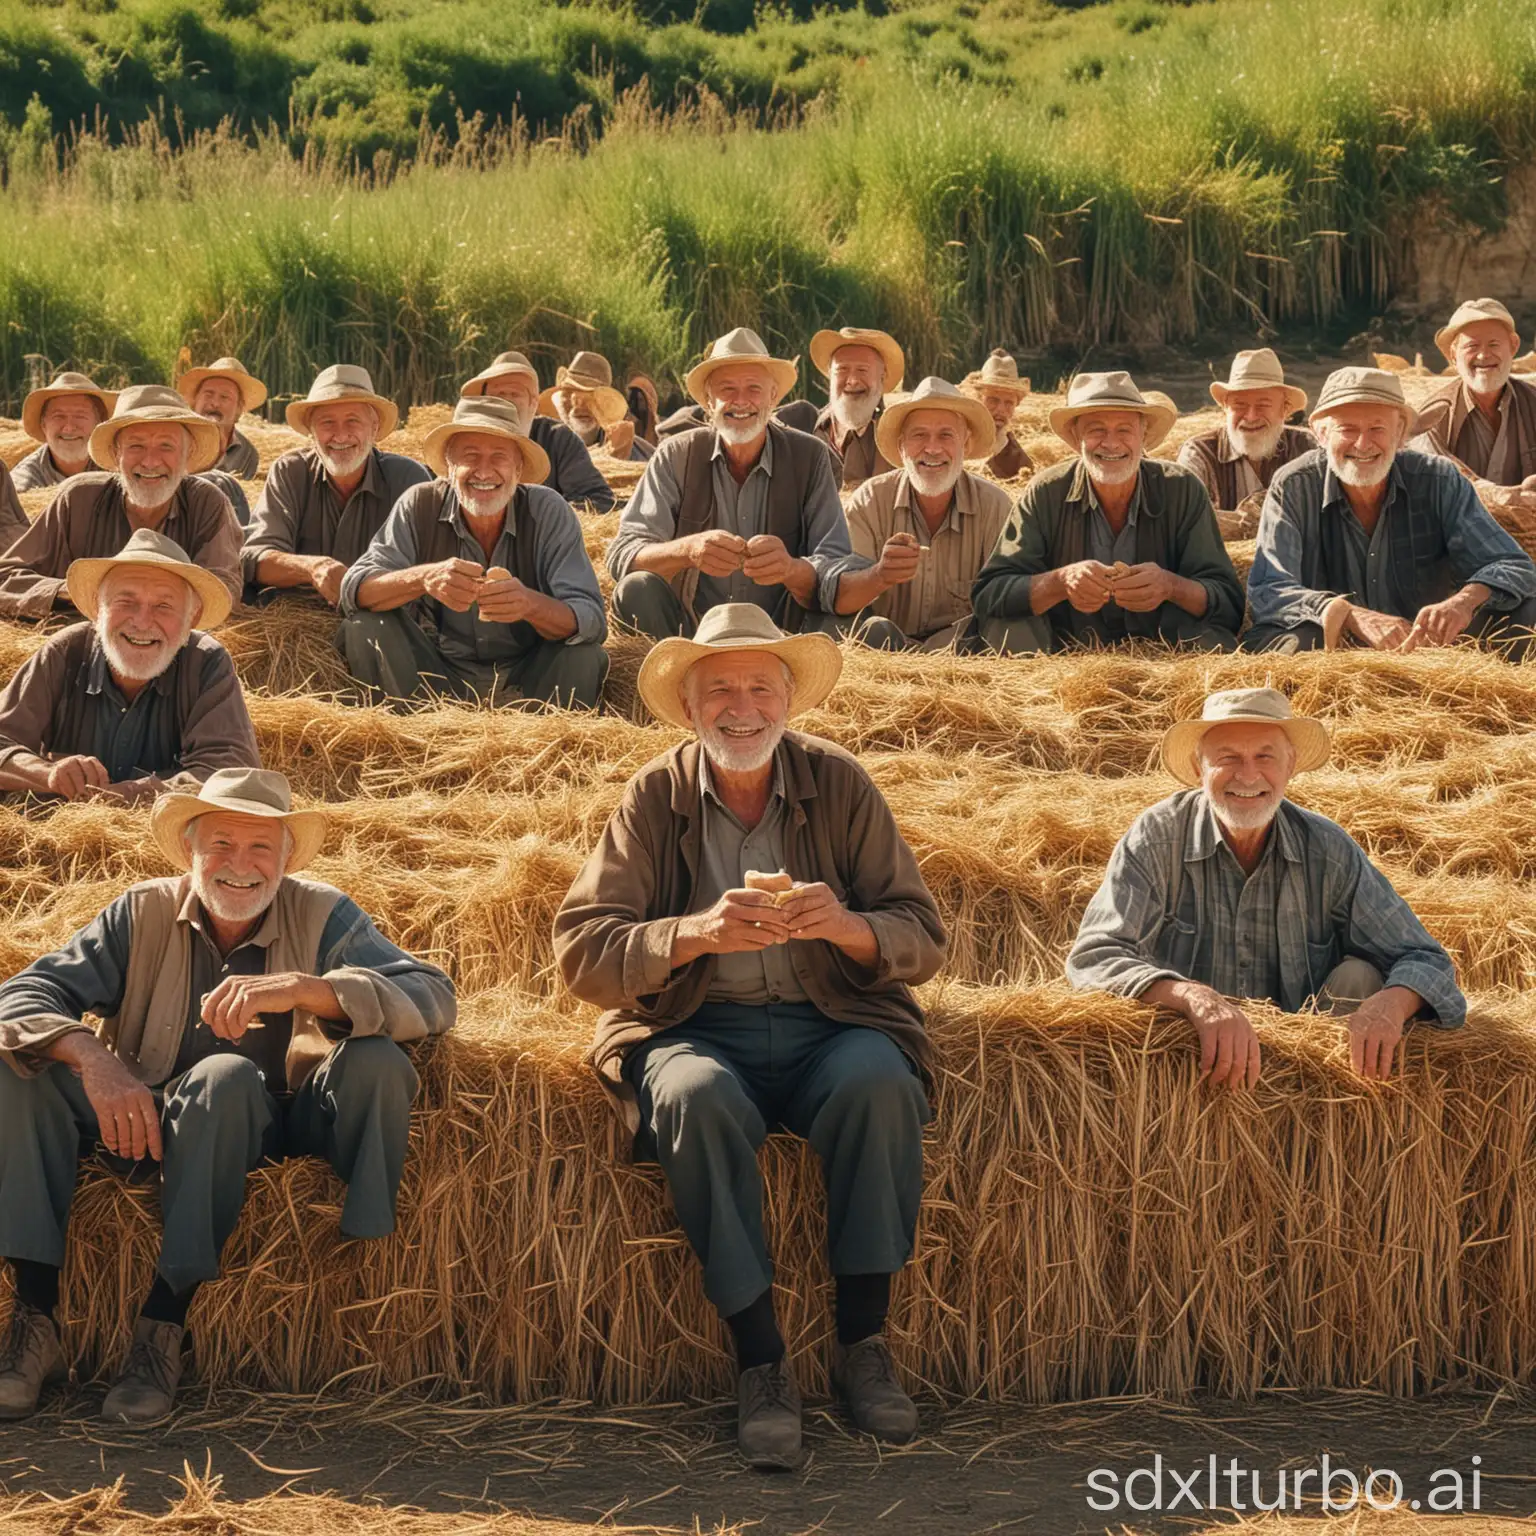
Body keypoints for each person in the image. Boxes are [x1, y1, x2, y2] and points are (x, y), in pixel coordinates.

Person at [553, 604, 946, 1467]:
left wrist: (845, 926)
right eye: (720, 690)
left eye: (760, 687)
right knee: (692, 1098)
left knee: (879, 1083)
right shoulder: (655, 795)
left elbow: (921, 932)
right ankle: (761, 1357)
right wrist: (691, 936)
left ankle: (863, 1345)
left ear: (788, 700)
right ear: (691, 709)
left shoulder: (838, 782)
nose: (742, 708)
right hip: (697, 1025)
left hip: (830, 1022)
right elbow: (581, 952)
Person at [0, 767, 455, 1424]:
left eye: (260, 847)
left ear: (286, 858)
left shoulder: (322, 911)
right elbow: (20, 998)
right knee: (18, 1070)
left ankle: (162, 1328)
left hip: (269, 1121)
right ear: (190, 850)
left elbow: (434, 995)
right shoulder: (142, 910)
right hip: (144, 1116)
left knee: (226, 1076)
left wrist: (307, 988)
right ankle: (33, 1322)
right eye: (220, 844)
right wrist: (92, 1056)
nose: (239, 865)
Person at [1067, 688, 1464, 1088]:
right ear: (1197, 768)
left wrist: (1390, 1006)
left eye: (1265, 756)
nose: (1248, 776)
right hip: (1186, 1070)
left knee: (1361, 977)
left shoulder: (1327, 849)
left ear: (1290, 766)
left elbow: (1426, 960)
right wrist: (1194, 998)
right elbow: (1095, 957)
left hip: (1310, 1077)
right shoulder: (1157, 838)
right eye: (1228, 759)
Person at [1244, 367, 1536, 655]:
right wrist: (1347, 614)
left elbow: (1514, 566)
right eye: (1347, 429)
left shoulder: (1438, 480)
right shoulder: (1295, 486)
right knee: (1295, 642)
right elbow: (1269, 588)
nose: (1363, 444)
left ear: (1399, 435)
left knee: (1527, 614)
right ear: (1320, 434)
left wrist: (1463, 602)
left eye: (1377, 429)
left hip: (1430, 650)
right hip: (1334, 651)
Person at [340, 397, 609, 709]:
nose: (484, 471)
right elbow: (354, 589)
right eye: (470, 457)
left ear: (519, 468)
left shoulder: (548, 511)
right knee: (364, 628)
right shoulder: (420, 504)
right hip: (434, 671)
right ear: (450, 467)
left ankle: (543, 740)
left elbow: (591, 619)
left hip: (530, 674)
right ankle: (414, 738)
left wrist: (529, 604)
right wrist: (424, 578)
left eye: (499, 457)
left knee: (585, 655)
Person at [608, 328, 857, 641]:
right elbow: (623, 552)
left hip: (784, 636)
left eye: (754, 388)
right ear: (709, 402)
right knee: (636, 588)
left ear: (773, 397)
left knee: (852, 622)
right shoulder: (677, 453)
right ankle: (667, 682)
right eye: (727, 389)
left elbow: (836, 564)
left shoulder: (809, 456)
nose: (741, 401)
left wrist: (789, 568)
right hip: (688, 635)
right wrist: (687, 550)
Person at [970, 372, 1243, 653]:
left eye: (1124, 430)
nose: (1111, 443)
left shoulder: (1182, 489)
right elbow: (990, 593)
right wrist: (1060, 582)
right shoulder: (1046, 491)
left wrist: (1170, 586)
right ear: (1077, 438)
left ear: (1143, 436)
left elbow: (1228, 603)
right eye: (1096, 430)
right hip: (1063, 654)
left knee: (1214, 639)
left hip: (1166, 653)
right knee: (1008, 628)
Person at [0, 530, 257, 803]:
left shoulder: (206, 664)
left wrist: (131, 795)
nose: (142, 622)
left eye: (164, 605)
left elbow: (230, 773)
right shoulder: (65, 653)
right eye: (126, 601)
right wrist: (48, 774)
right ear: (99, 609)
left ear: (191, 618)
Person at [0, 386, 242, 621]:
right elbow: (6, 579)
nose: (150, 461)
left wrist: (156, 602)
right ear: (116, 454)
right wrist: (80, 591)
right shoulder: (78, 499)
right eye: (136, 445)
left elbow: (224, 585)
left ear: (187, 455)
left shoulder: (207, 502)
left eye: (166, 446)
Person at [833, 377, 1010, 650]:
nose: (932, 448)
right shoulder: (869, 501)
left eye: (946, 435)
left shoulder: (995, 506)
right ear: (902, 445)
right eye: (919, 435)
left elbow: (1006, 600)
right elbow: (841, 599)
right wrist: (880, 575)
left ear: (965, 443)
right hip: (883, 652)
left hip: (965, 652)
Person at [242, 364, 430, 606]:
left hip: (380, 617)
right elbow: (254, 559)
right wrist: (312, 568)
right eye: (327, 422)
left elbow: (428, 569)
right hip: (297, 620)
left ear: (374, 429)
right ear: (311, 431)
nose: (340, 435)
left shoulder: (408, 479)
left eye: (353, 421)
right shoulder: (290, 471)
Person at [1411, 298, 1536, 511]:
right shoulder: (1435, 416)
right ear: (1453, 355)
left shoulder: (1532, 402)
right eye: (1472, 346)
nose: (1483, 355)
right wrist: (1501, 497)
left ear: (1513, 346)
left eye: (1494, 344)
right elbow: (1432, 489)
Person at [459, 351, 618, 512]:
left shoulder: (558, 440)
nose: (506, 402)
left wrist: (542, 519)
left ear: (533, 403)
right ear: (484, 399)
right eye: (499, 394)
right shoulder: (460, 438)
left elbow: (598, 500)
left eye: (515, 394)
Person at [1175, 349, 1315, 512]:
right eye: (1239, 405)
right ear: (1225, 408)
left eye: (1263, 405)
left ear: (1284, 410)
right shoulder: (1200, 453)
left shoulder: (1306, 447)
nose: (1250, 417)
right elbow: (1186, 516)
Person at [810, 326, 905, 488]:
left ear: (882, 378)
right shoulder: (807, 427)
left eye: (862, 370)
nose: (852, 380)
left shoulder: (898, 442)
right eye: (842, 369)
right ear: (830, 375)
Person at [10, 373, 118, 493]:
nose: (69, 428)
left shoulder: (118, 468)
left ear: (99, 423)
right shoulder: (23, 485)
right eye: (58, 416)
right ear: (43, 425)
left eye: (80, 416)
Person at [539, 351, 653, 462]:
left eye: (592, 398)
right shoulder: (542, 444)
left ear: (605, 405)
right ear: (563, 400)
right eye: (574, 397)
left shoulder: (635, 451)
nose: (581, 407)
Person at [177, 357, 265, 480]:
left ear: (238, 409)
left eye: (224, 397)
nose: (215, 403)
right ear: (194, 401)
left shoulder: (247, 453)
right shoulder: (174, 439)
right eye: (208, 394)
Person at [960, 348, 1034, 480]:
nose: (1001, 409)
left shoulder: (1020, 464)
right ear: (977, 398)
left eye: (1009, 403)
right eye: (993, 400)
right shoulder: (953, 438)